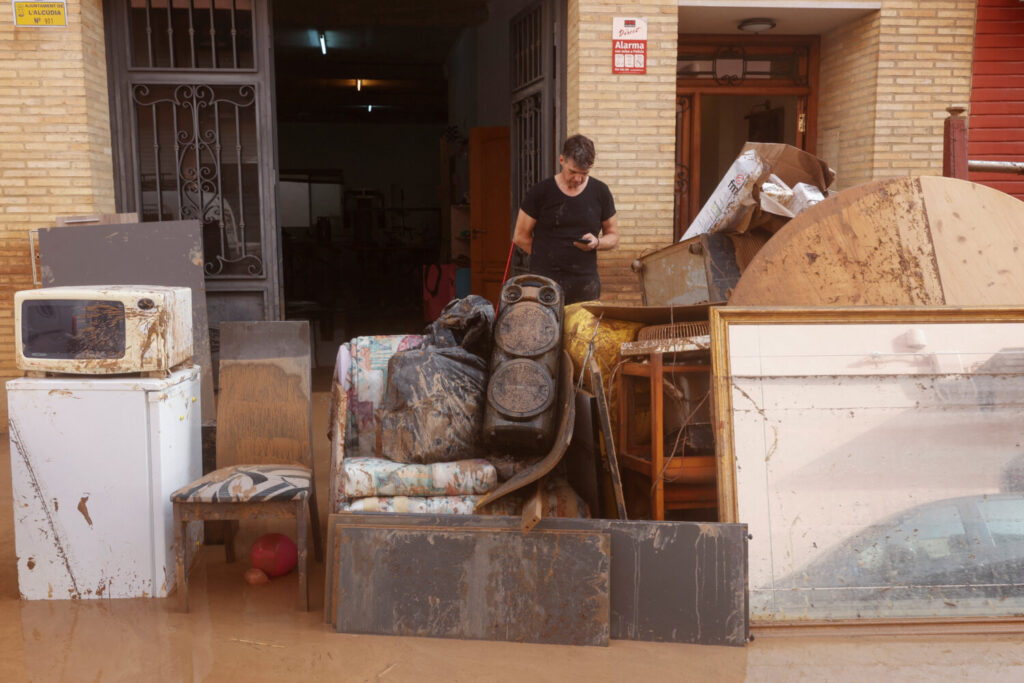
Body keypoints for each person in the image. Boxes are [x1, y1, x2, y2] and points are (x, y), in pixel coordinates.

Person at [512, 134, 619, 304]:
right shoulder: (540, 192)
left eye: (584, 173)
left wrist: (597, 243)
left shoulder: (600, 192)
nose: (578, 179)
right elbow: (520, 236)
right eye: (573, 172)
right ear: (561, 160)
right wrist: (547, 255)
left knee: (583, 331)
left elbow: (613, 236)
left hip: (585, 283)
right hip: (544, 284)